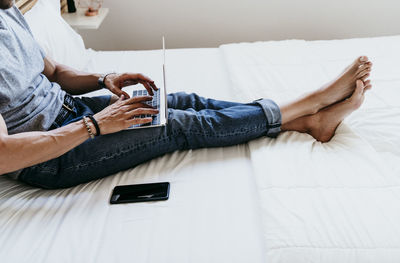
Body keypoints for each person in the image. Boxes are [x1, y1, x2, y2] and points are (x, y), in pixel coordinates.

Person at [0, 1, 372, 189]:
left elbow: (54, 72)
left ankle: (308, 121)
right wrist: (95, 126)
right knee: (177, 125)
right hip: (49, 158)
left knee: (181, 100)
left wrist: (106, 77)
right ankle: (309, 104)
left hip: (73, 111)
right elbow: (4, 155)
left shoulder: (8, 11)